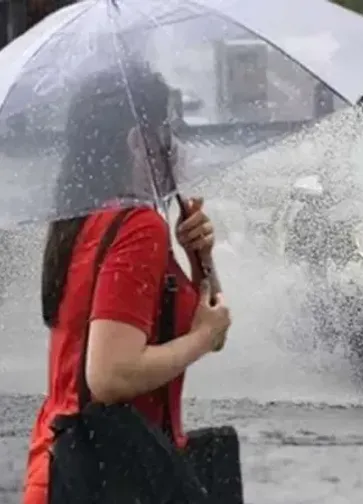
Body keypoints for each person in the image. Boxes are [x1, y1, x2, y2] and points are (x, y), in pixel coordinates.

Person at [21, 62, 237, 504]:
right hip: (114, 474)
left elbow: (213, 325)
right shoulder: (137, 228)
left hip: (70, 464)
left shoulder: (83, 219)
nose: (176, 145)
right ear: (140, 141)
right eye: (169, 129)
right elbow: (110, 375)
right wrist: (201, 338)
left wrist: (201, 261)